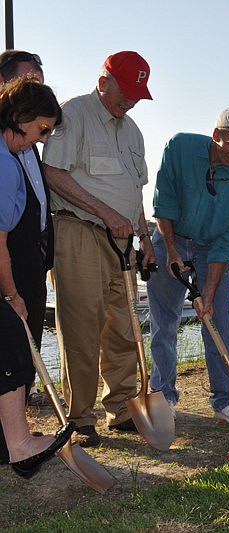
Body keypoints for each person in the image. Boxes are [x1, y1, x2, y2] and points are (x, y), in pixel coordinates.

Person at [42, 51, 154, 447]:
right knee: (81, 327)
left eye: (138, 94)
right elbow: (51, 172)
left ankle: (121, 407)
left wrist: (145, 237)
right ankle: (79, 417)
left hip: (122, 241)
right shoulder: (74, 114)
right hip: (79, 232)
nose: (132, 101)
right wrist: (105, 212)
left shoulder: (133, 130)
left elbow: (134, 190)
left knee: (123, 325)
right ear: (104, 80)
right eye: (126, 92)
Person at [147, 107, 229, 424]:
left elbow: (226, 244)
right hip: (171, 235)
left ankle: (224, 399)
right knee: (164, 324)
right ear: (217, 135)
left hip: (211, 248)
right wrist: (171, 251)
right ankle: (164, 396)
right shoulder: (179, 147)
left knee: (219, 323)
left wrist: (208, 294)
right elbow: (163, 202)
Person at [0, 77, 76, 477]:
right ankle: (21, 445)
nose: (43, 139)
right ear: (19, 116)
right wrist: (13, 296)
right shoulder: (5, 165)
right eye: (41, 130)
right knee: (12, 346)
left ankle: (12, 443)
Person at [0, 50, 51, 407]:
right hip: (8, 256)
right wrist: (10, 293)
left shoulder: (22, 145)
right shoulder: (7, 153)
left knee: (24, 334)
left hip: (33, 252)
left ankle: (20, 408)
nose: (43, 137)